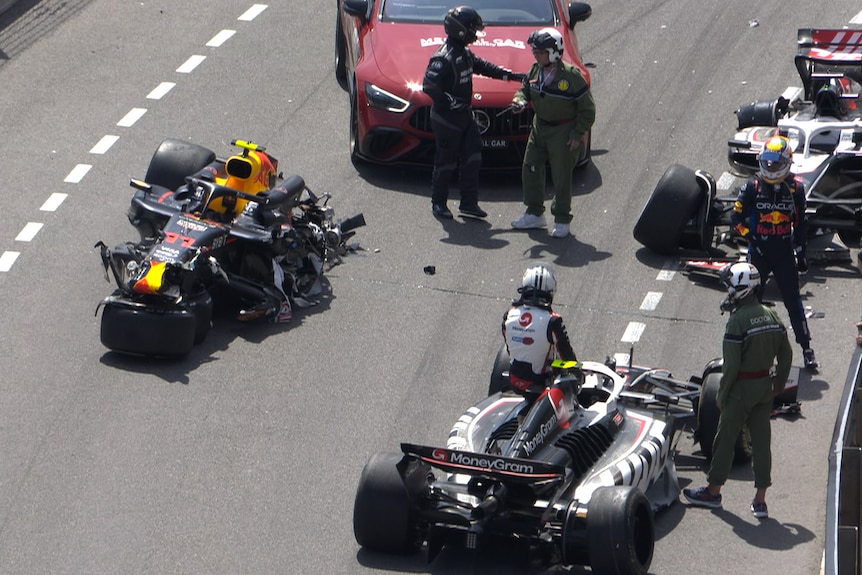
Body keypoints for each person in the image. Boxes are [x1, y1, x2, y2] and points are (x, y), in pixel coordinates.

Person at [683, 262, 792, 519]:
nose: (728, 291)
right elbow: (786, 356)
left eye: (731, 286)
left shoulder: (737, 322)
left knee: (724, 440)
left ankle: (713, 491)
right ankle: (760, 501)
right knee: (762, 443)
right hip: (765, 388)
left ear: (743, 289)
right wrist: (778, 384)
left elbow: (730, 367)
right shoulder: (772, 315)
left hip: (740, 391)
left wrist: (722, 395)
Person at [422, 5, 525, 220]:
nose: (476, 34)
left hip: (465, 117)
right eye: (472, 29)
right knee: (446, 161)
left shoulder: (464, 53)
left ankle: (468, 203)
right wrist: (451, 102)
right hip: (446, 120)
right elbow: (429, 86)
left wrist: (511, 76)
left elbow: (484, 66)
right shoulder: (444, 57)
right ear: (460, 30)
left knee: (473, 156)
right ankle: (438, 203)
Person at [731, 134, 818, 370]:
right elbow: (735, 217)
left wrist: (801, 252)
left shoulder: (796, 188)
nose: (769, 167)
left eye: (775, 163)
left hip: (783, 255)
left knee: (793, 302)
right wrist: (752, 239)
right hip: (758, 253)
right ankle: (742, 349)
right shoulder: (753, 185)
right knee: (748, 302)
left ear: (787, 162)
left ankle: (807, 349)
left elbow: (800, 223)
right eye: (767, 162)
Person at [510, 28, 596, 239]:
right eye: (535, 52)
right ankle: (534, 212)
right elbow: (525, 89)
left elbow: (588, 110)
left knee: (561, 176)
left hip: (563, 131)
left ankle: (562, 218)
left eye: (540, 52)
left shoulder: (571, 77)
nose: (536, 56)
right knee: (530, 166)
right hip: (540, 127)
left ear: (554, 52)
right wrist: (519, 99)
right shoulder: (535, 70)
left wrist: (577, 135)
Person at [502, 263, 577, 401]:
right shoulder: (553, 320)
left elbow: (509, 348)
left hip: (514, 382)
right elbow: (567, 356)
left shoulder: (509, 314)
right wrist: (578, 374)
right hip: (542, 386)